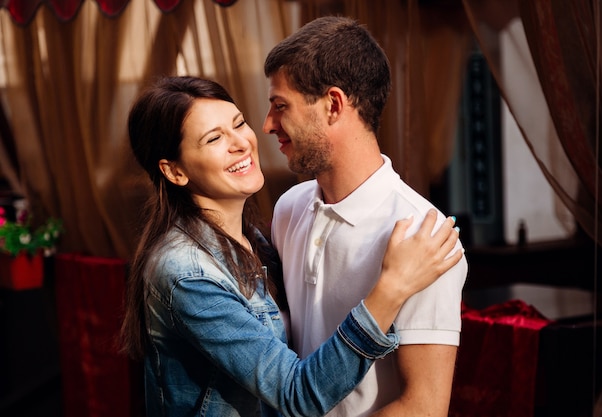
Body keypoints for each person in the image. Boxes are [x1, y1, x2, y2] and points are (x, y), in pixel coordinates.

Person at [119, 76, 463, 417]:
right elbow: (296, 395)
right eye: (213, 139)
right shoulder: (185, 273)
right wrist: (392, 287)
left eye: (238, 123)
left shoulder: (256, 239)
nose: (240, 143)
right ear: (175, 171)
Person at [263, 16, 469, 417]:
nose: (268, 125)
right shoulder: (288, 208)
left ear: (334, 105)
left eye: (280, 106)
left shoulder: (423, 236)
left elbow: (423, 407)